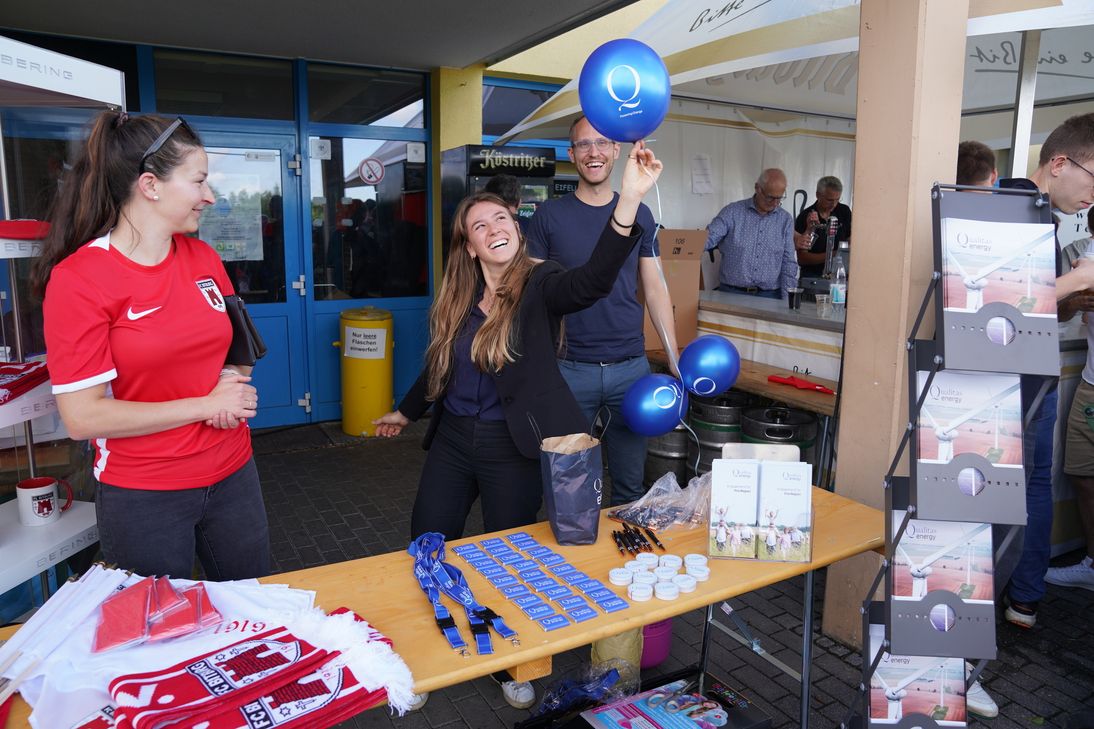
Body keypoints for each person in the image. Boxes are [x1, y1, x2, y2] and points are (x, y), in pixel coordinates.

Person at [372, 141, 663, 710]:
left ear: (516, 228)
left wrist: (627, 200)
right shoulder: (459, 296)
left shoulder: (541, 282)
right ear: (470, 244)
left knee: (503, 557)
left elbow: (593, 282)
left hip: (514, 446)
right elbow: (439, 365)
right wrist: (406, 411)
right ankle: (422, 659)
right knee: (427, 543)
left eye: (501, 219)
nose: (493, 228)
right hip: (454, 441)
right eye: (480, 225)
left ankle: (509, 659)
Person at [33, 111, 270, 582]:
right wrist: (206, 404)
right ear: (151, 185)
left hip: (233, 473)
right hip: (145, 492)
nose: (210, 196)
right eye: (198, 181)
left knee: (252, 602)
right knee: (158, 621)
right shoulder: (79, 279)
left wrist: (231, 386)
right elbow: (83, 417)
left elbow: (239, 353)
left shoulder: (204, 258)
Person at [526, 116, 678, 507]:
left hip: (630, 368)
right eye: (583, 144)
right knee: (567, 486)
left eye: (602, 143)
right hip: (568, 368)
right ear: (571, 153)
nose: (593, 152)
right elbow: (531, 296)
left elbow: (655, 287)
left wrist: (674, 358)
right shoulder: (547, 217)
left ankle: (625, 548)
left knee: (630, 488)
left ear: (616, 150)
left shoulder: (640, 213)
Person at [704, 168, 797, 298]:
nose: (775, 203)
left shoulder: (785, 220)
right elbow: (708, 238)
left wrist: (788, 300)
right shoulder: (732, 212)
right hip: (732, 293)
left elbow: (788, 262)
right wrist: (683, 246)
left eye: (779, 198)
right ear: (757, 188)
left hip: (769, 296)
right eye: (770, 197)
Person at [793, 176, 852, 278]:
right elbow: (802, 259)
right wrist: (834, 254)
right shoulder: (805, 216)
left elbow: (851, 241)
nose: (834, 204)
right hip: (812, 275)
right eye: (829, 200)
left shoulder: (844, 211)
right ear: (818, 195)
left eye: (837, 199)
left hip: (839, 273)